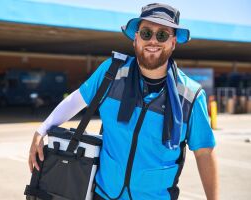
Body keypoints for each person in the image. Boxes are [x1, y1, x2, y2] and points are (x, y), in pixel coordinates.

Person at [28, 3, 218, 200]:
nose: (153, 40)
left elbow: (204, 153)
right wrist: (41, 130)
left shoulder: (191, 95)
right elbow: (76, 100)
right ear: (136, 38)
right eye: (146, 33)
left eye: (162, 34)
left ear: (173, 42)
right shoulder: (111, 72)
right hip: (103, 195)